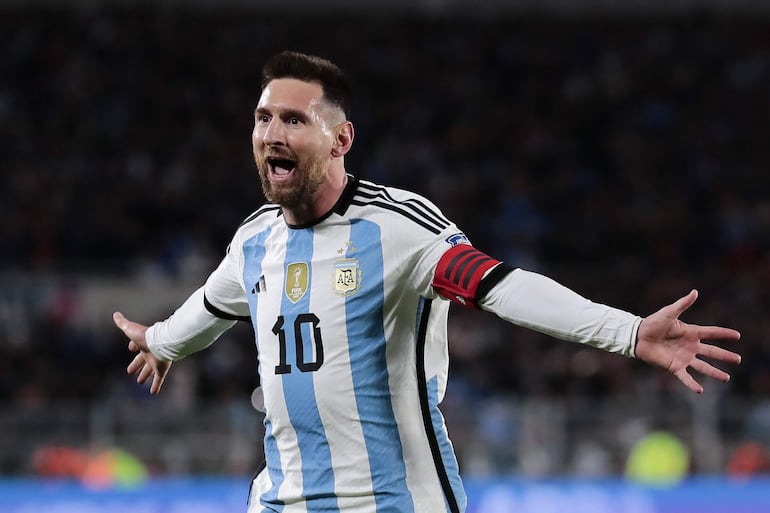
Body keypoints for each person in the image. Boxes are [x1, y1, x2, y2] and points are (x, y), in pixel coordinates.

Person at [113, 50, 741, 513]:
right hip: (283, 502)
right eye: (262, 119)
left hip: (397, 502)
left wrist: (628, 333)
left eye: (294, 120)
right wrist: (160, 340)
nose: (272, 134)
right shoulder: (254, 241)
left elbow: (502, 286)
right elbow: (208, 309)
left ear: (340, 140)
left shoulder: (397, 229)